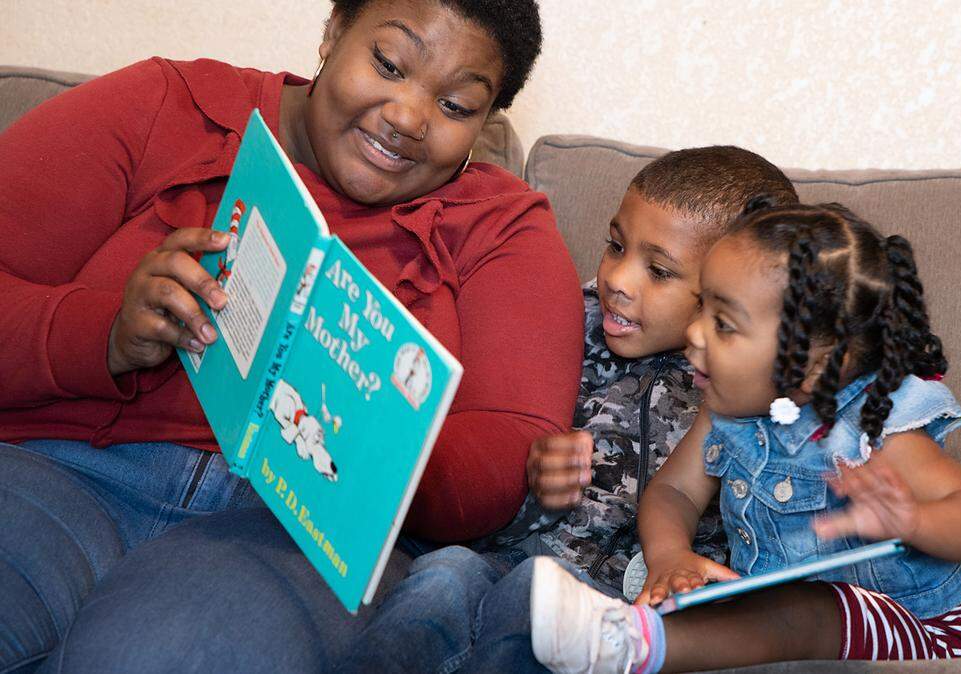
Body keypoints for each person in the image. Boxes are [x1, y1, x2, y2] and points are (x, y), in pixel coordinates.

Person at [0, 1, 582, 671]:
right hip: (59, 469)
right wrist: (104, 332)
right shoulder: (168, 105)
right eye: (388, 64)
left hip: (290, 535)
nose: (407, 117)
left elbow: (513, 448)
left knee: (157, 656)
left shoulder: (505, 228)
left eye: (455, 107)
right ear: (335, 31)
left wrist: (374, 446)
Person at [339, 151, 961, 672]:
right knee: (443, 579)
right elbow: (666, 492)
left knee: (536, 599)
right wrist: (527, 472)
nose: (618, 281)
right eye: (615, 247)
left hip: (650, 598)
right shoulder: (573, 331)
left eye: (660, 272)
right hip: (533, 555)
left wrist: (936, 565)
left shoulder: (820, 408)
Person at [530, 201, 961, 672]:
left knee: (805, 610)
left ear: (814, 367)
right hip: (778, 614)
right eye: (702, 306)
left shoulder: (877, 429)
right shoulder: (732, 409)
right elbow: (674, 491)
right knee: (704, 598)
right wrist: (670, 556)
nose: (695, 333)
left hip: (927, 627)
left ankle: (625, 648)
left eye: (723, 324)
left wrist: (913, 519)